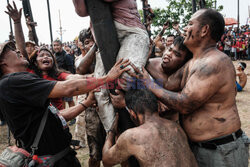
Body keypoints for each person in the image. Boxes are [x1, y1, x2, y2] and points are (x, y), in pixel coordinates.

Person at [130, 9, 249, 167]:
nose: (185, 29)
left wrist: (149, 83)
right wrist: (141, 61)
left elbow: (185, 104)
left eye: (190, 24)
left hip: (221, 151)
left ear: (204, 30)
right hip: (200, 148)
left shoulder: (214, 62)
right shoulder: (193, 62)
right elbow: (168, 84)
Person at [0, 41, 129, 166]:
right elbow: (68, 88)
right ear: (2, 62)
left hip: (59, 157)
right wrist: (106, 78)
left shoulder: (16, 83)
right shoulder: (12, 82)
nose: (17, 50)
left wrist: (86, 102)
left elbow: (57, 115)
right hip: (50, 160)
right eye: (11, 49)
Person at [73, 0, 149, 133]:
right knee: (99, 92)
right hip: (104, 42)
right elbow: (81, 11)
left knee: (127, 75)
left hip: (131, 33)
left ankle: (150, 114)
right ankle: (113, 134)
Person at [102, 89, 198, 167]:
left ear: (132, 114)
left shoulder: (132, 137)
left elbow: (106, 161)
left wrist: (111, 131)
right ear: (157, 106)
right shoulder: (175, 127)